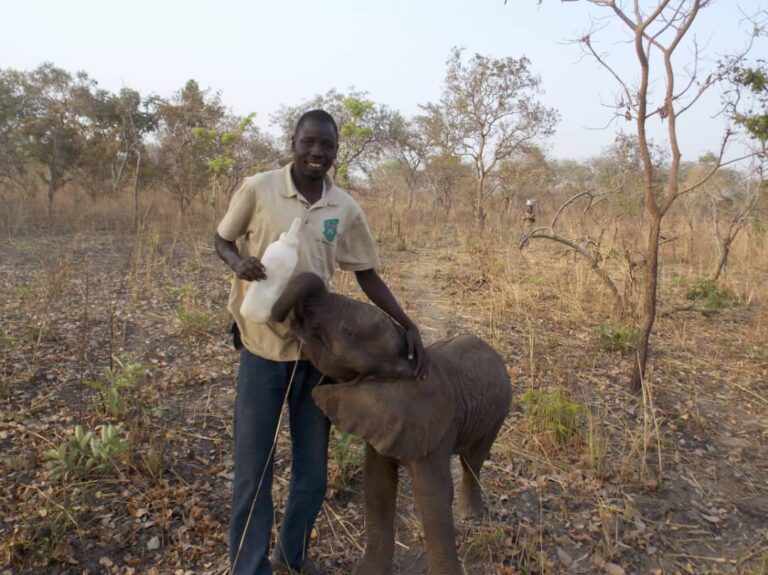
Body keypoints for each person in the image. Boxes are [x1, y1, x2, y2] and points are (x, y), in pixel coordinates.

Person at [214, 109, 427, 575]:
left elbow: (366, 273)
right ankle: (249, 568)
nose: (317, 153)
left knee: (312, 471)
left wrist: (405, 321)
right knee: (255, 471)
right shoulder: (259, 188)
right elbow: (222, 238)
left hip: (318, 356)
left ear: (336, 151)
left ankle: (292, 555)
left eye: (327, 146)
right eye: (309, 142)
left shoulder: (344, 208)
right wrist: (237, 264)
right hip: (262, 350)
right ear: (293, 141)